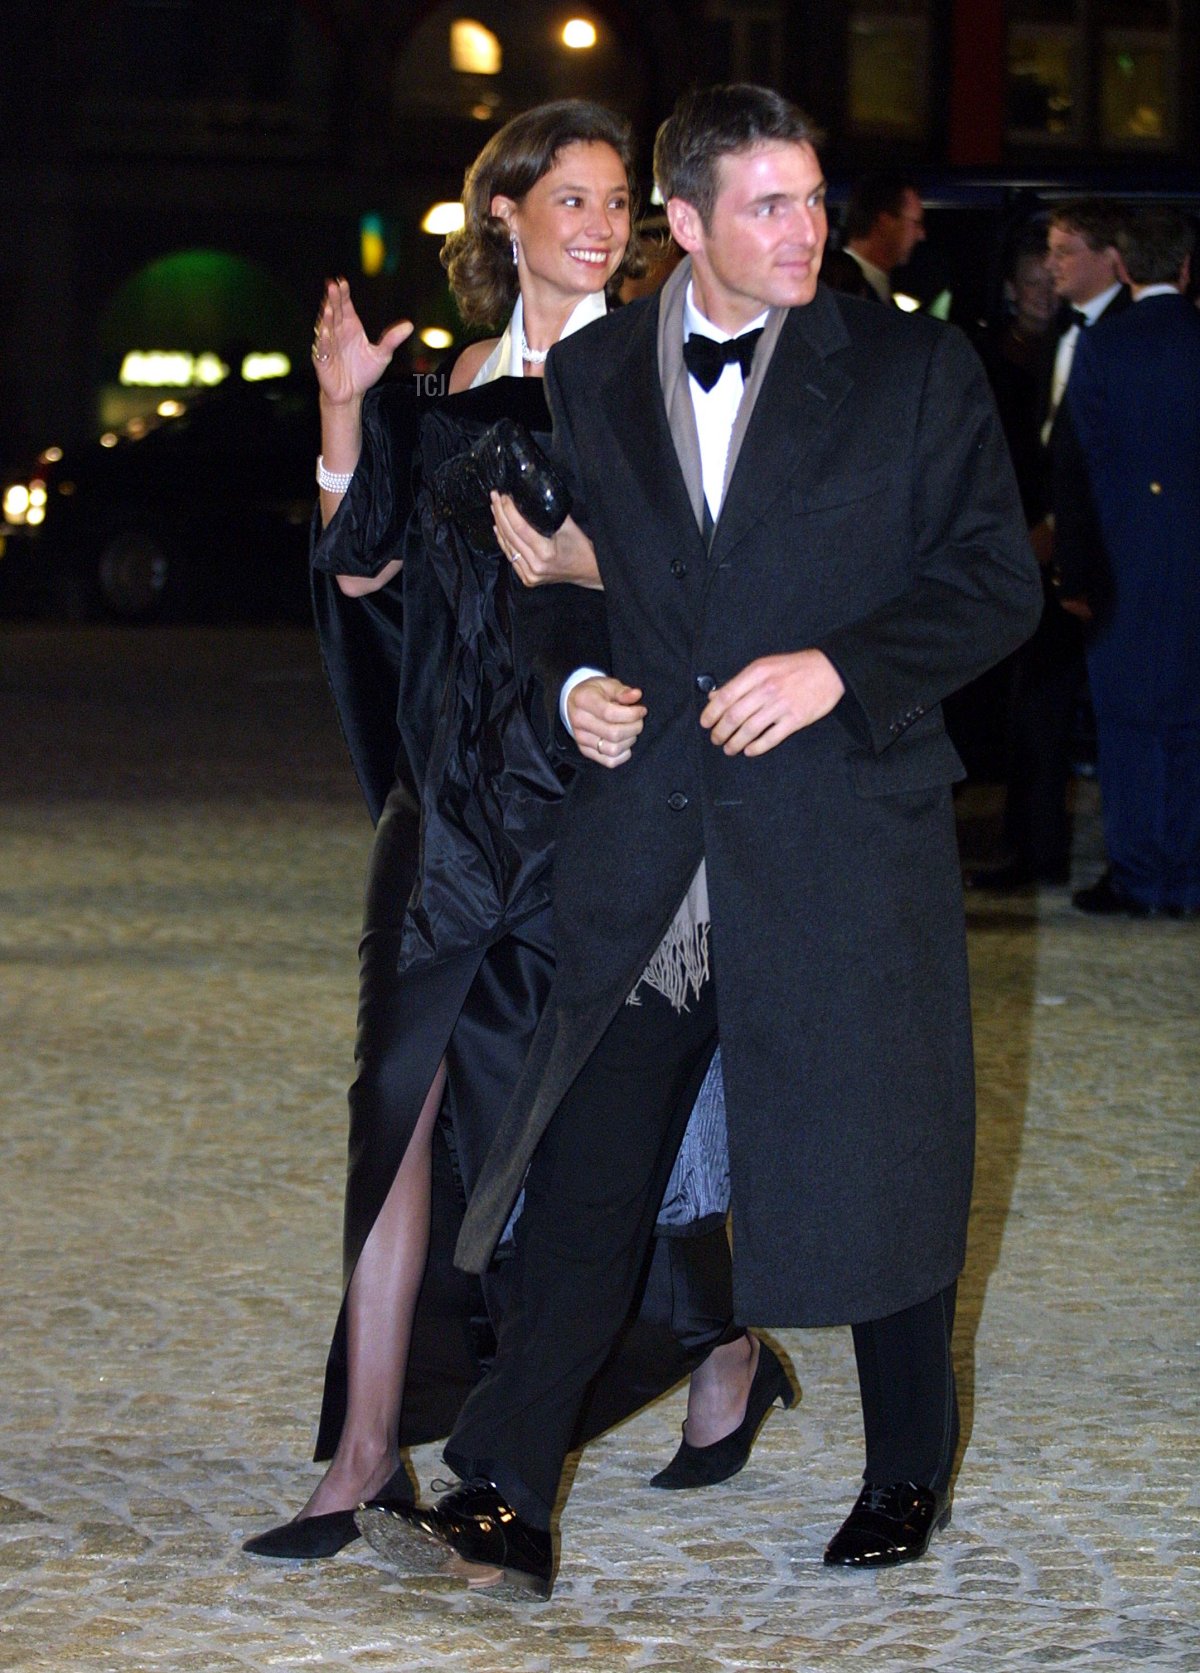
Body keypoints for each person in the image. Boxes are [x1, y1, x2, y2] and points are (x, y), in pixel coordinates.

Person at [357, 83, 1042, 1600]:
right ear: (687, 223)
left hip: (840, 839)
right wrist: (581, 678)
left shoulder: (914, 369)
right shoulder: (597, 374)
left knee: (879, 1166)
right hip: (655, 851)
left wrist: (841, 668)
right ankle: (508, 1487)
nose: (806, 231)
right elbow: (561, 589)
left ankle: (905, 1468)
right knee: (593, 1175)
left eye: (812, 200)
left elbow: (997, 584)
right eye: (770, 206)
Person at [242, 101, 771, 1565]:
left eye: (619, 201)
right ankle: (361, 1455)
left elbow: (715, 579)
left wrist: (602, 565)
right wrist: (352, 409)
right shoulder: (458, 374)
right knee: (395, 1121)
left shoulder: (661, 377)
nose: (604, 223)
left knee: (577, 1139)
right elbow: (363, 578)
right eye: (576, 198)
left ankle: (716, 1344)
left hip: (593, 808)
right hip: (447, 811)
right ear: (506, 215)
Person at [969, 199, 1128, 893]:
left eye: (1059, 262)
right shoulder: (1013, 347)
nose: (1047, 279)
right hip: (1029, 552)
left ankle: (1096, 854)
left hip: (1089, 553)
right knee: (1034, 708)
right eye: (1037, 270)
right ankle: (1035, 848)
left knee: (1095, 709)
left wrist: (1060, 528)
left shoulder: (1103, 335)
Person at [1054, 207, 1200, 918]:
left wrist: (1075, 575)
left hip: (1123, 564)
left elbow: (1073, 470)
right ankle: (1189, 873)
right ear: (1185, 266)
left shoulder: (1103, 348)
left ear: (1124, 266)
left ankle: (1141, 875)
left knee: (1129, 725)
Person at [822, 171, 925, 303]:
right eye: (916, 223)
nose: (921, 235)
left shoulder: (875, 289)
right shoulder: (842, 289)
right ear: (885, 223)